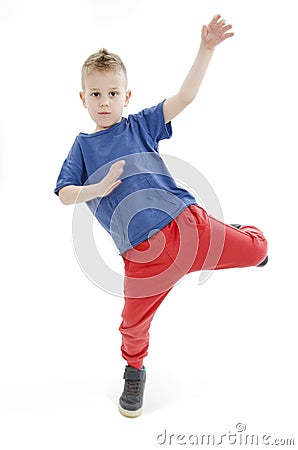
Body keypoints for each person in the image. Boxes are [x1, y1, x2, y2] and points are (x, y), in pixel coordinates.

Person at [54, 14, 268, 418]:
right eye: (96, 94)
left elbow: (183, 99)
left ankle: (236, 233)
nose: (104, 102)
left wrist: (206, 49)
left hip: (188, 224)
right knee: (131, 327)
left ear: (126, 96)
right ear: (83, 99)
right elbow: (65, 194)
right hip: (143, 255)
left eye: (112, 93)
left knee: (259, 251)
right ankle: (134, 373)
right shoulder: (82, 148)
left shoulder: (139, 126)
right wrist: (96, 190)